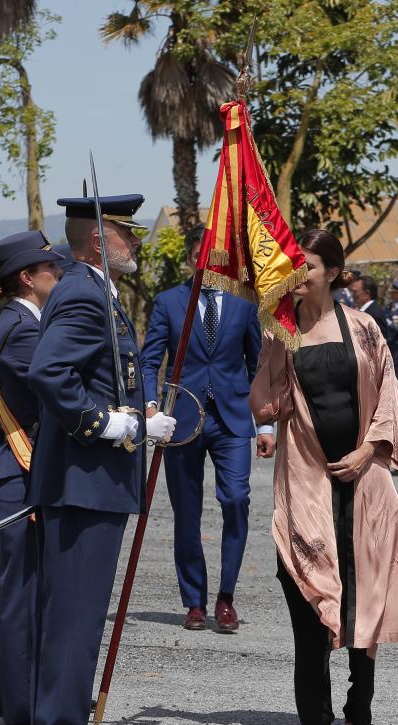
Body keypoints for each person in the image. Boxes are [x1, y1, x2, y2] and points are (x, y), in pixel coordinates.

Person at [24, 193, 176, 725]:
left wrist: (141, 416)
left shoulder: (97, 293)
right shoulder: (85, 293)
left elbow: (104, 374)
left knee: (73, 614)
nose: (135, 242)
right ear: (97, 241)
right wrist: (116, 425)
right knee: (76, 616)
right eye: (125, 233)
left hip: (90, 484)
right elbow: (49, 372)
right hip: (82, 484)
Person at [250, 229, 398, 725]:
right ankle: (314, 712)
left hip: (363, 478)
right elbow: (264, 402)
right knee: (306, 590)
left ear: (332, 272)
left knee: (367, 590)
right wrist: (269, 382)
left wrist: (370, 451)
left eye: (307, 266)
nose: (297, 275)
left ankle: (359, 706)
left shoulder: (364, 327)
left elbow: (389, 396)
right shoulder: (280, 333)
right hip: (306, 477)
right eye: (291, 266)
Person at [141, 223, 275, 633]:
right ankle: (194, 601)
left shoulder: (244, 302)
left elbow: (259, 365)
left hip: (232, 419)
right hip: (181, 422)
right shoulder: (168, 302)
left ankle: (226, 597)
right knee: (187, 511)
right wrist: (149, 407)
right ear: (191, 257)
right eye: (204, 253)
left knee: (236, 500)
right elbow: (149, 360)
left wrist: (265, 422)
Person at [0, 231, 64, 725]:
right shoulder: (22, 329)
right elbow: (54, 394)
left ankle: (24, 699)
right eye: (51, 270)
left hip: (22, 470)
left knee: (28, 592)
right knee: (21, 596)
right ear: (28, 278)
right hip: (21, 474)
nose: (60, 276)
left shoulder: (17, 319)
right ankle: (22, 708)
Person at [349, 274, 388, 339]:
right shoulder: (361, 311)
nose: (352, 295)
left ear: (367, 294)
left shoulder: (374, 315)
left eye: (355, 292)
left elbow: (378, 344)